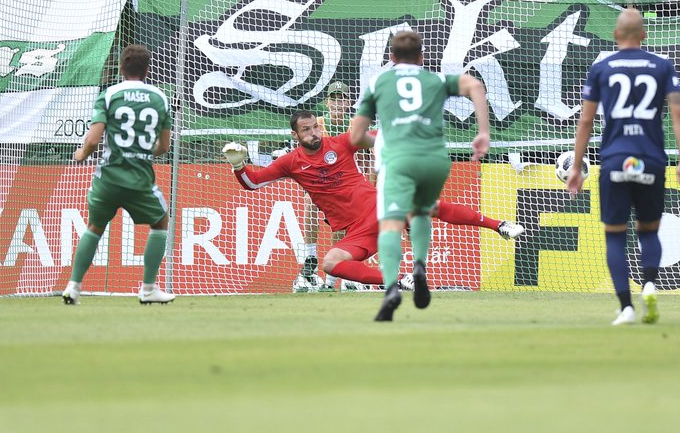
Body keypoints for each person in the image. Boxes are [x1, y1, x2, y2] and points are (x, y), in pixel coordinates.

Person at [222, 109, 523, 295]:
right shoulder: (290, 162)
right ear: (295, 134)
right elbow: (252, 183)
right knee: (330, 263)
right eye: (306, 130)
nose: (314, 133)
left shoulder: (341, 142)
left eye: (315, 127)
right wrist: (238, 166)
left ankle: (499, 225)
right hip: (357, 231)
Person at [349, 30, 491, 322]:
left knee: (390, 222)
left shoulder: (379, 82)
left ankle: (390, 287)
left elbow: (356, 135)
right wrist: (483, 133)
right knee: (421, 212)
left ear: (391, 57)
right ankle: (420, 266)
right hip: (434, 159)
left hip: (399, 159)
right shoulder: (435, 79)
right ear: (422, 57)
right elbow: (475, 85)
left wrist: (380, 140)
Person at [566, 8, 680, 326]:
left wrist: (577, 167)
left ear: (615, 35)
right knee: (649, 231)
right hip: (650, 158)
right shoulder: (662, 66)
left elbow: (586, 120)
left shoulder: (602, 68)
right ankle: (649, 283)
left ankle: (626, 307)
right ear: (644, 35)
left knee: (614, 237)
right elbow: (678, 114)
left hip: (615, 159)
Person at [62, 44, 176, 306]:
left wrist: (81, 154)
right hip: (139, 179)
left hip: (109, 177)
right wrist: (142, 151)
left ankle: (74, 286)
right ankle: (148, 288)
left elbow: (93, 139)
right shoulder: (159, 97)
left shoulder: (110, 94)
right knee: (160, 222)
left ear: (121, 68)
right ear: (148, 69)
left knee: (95, 227)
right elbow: (164, 147)